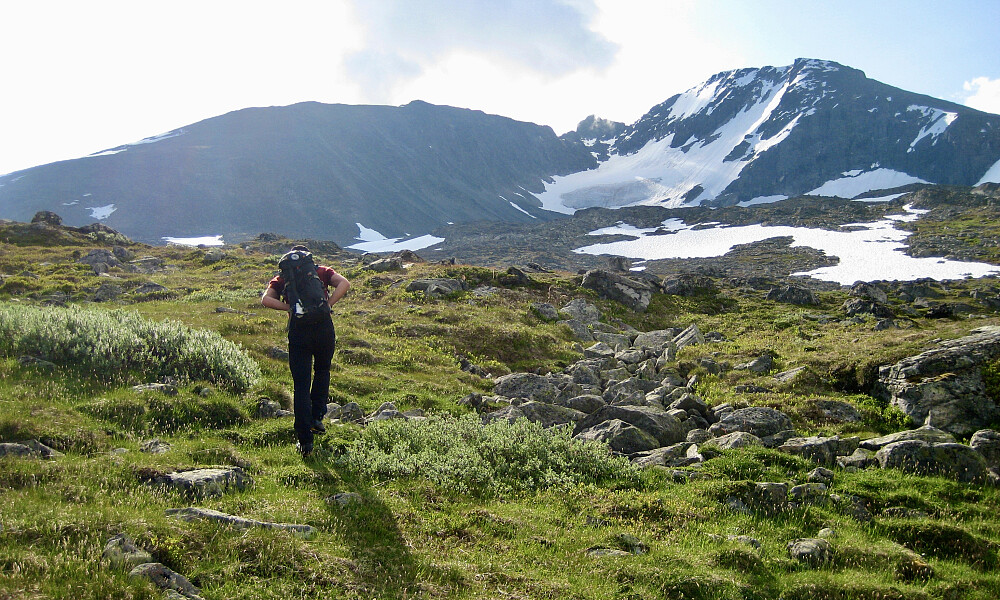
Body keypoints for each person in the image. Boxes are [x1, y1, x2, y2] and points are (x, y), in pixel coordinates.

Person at [261, 245, 351, 457]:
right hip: (323, 327)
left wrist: (290, 309)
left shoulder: (282, 278)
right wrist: (328, 305)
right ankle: (317, 417)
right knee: (323, 370)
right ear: (309, 258)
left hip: (298, 331)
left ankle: (304, 440)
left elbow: (265, 299)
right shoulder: (321, 271)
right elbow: (344, 283)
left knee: (301, 384)